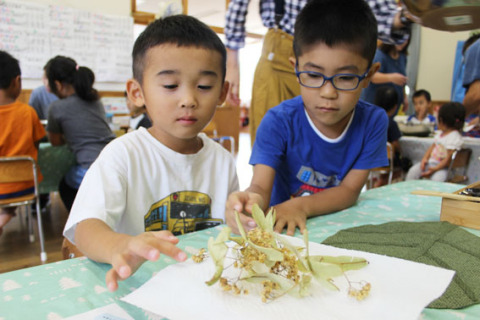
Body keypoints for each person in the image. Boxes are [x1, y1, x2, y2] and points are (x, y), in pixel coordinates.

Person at [63, 15, 239, 292]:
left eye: (204, 86)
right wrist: (120, 245)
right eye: (170, 86)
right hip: (140, 286)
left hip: (205, 288)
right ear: (137, 92)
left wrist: (242, 217)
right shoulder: (123, 155)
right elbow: (85, 228)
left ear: (222, 92)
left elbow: (229, 230)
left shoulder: (222, 160)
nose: (189, 100)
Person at [226, 0, 388, 236]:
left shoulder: (374, 122)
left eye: (345, 78)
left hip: (338, 230)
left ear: (368, 75)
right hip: (283, 232)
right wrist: (249, 203)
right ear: (295, 68)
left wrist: (300, 206)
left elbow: (350, 190)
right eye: (313, 75)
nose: (328, 93)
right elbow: (260, 186)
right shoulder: (277, 121)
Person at [225, 0, 413, 145]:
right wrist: (232, 60)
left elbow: (381, 17)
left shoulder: (373, 119)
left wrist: (412, 14)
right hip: (279, 57)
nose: (326, 92)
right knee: (273, 148)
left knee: (331, 156)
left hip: (343, 51)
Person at [45, 56, 116, 211]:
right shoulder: (95, 99)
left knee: (65, 185)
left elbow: (55, 142)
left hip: (91, 168)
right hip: (116, 160)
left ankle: (81, 225)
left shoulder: (56, 107)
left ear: (57, 84)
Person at [0, 51, 46, 236]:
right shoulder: (28, 113)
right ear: (16, 81)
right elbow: (37, 144)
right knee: (10, 193)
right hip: (26, 185)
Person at [405, 102, 465, 182]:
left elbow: (448, 159)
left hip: (445, 168)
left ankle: (432, 194)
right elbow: (432, 148)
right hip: (430, 164)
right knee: (413, 171)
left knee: (436, 179)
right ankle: (408, 191)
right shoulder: (440, 134)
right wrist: (424, 160)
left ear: (442, 120)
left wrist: (434, 169)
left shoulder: (455, 137)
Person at [360, 36, 410, 113]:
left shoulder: (402, 57)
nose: (404, 43)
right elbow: (372, 76)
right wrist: (391, 78)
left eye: (406, 40)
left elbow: (402, 80)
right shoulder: (379, 55)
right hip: (376, 104)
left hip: (392, 107)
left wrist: (404, 97)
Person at [372, 85, 403, 187]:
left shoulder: (371, 121)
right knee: (404, 161)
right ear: (395, 107)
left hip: (371, 157)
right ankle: (384, 181)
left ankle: (380, 180)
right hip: (386, 160)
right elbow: (395, 144)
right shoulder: (391, 123)